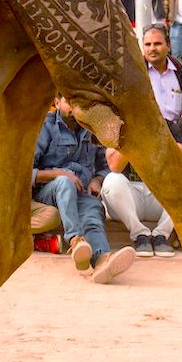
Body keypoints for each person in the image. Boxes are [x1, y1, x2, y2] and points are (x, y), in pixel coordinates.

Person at [33, 94, 135, 284]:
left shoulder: (90, 129)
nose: (74, 108)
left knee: (93, 212)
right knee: (65, 184)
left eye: (78, 104)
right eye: (68, 103)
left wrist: (97, 179)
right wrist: (59, 175)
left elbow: (106, 166)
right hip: (47, 192)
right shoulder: (44, 127)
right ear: (56, 103)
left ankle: (102, 260)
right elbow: (26, 172)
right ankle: (75, 240)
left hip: (81, 192)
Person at [99, 144, 176, 258]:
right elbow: (115, 166)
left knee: (181, 181)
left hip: (157, 198)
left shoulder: (167, 126)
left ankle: (161, 236)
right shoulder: (118, 127)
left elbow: (179, 160)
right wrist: (134, 137)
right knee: (112, 179)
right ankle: (140, 236)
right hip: (127, 202)